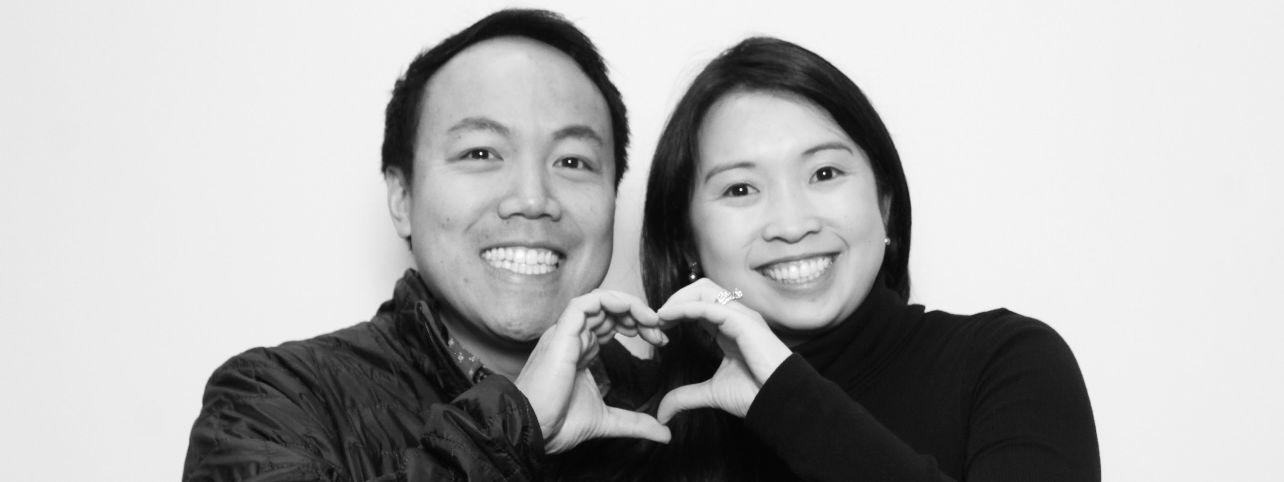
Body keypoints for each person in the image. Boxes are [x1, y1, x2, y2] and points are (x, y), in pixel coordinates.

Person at [183, 9, 671, 481]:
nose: (531, 199)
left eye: (572, 161)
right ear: (402, 198)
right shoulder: (269, 402)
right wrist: (513, 427)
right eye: (480, 153)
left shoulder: (676, 409)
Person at [638, 37, 1101, 481]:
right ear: (686, 242)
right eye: (740, 189)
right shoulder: (644, 421)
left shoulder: (1006, 364)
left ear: (885, 203)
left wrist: (788, 399)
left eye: (825, 173)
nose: (792, 224)